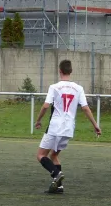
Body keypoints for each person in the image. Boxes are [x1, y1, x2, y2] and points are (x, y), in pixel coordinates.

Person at [34, 60, 101, 194]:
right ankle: (59, 187)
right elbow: (85, 108)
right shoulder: (79, 88)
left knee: (41, 155)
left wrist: (38, 120)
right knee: (54, 155)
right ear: (71, 71)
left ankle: (55, 174)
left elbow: (46, 106)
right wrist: (95, 125)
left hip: (55, 127)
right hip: (68, 128)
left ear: (60, 71)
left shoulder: (54, 87)